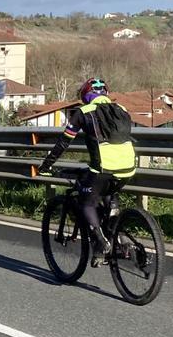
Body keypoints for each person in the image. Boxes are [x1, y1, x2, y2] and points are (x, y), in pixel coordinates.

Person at [39, 78, 136, 265]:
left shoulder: (83, 112)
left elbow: (63, 143)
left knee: (86, 203)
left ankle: (101, 242)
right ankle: (118, 237)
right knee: (108, 195)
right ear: (106, 94)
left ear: (85, 96)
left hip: (103, 168)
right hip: (128, 167)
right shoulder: (122, 110)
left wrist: (46, 164)